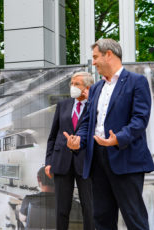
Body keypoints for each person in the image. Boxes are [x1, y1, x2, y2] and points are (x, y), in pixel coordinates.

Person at [64, 38, 154, 230]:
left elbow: (140, 120)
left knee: (134, 217)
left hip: (125, 158)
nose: (94, 62)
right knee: (101, 217)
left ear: (109, 54)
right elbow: (88, 121)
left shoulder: (136, 82)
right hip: (97, 159)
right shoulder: (96, 88)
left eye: (96, 57)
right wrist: (79, 139)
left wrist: (118, 138)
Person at [45, 71, 94, 230]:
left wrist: (91, 101)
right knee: (61, 209)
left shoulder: (95, 105)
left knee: (90, 207)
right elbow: (52, 136)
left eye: (77, 84)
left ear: (87, 87)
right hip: (61, 161)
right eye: (71, 83)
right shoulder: (63, 105)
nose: (73, 87)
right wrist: (48, 161)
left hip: (86, 162)